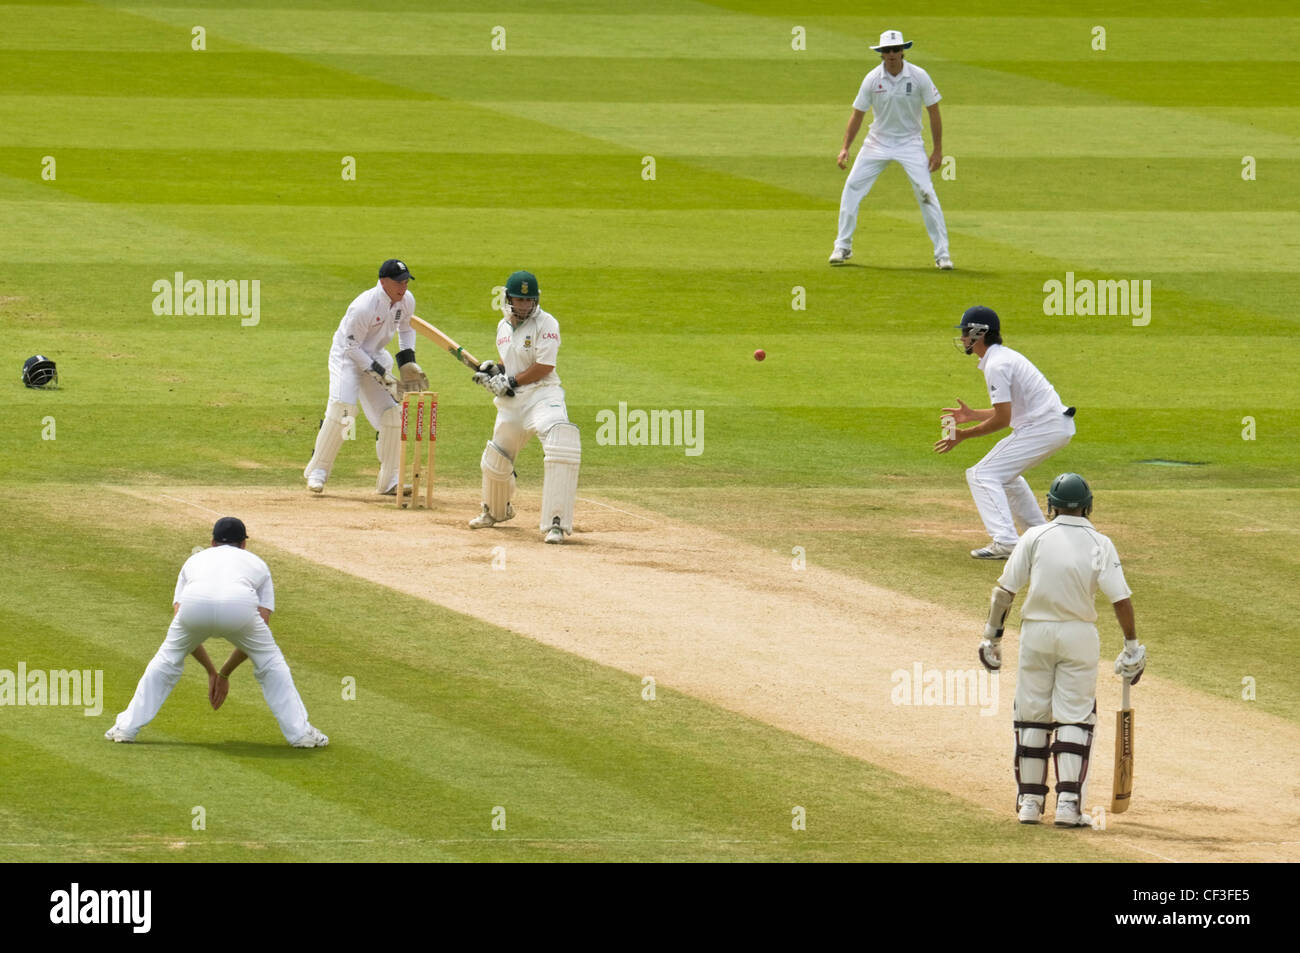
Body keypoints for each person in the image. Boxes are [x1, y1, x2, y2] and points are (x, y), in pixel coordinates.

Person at [976, 473, 1146, 827]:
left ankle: (1030, 803)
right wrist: (1132, 647)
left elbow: (1003, 592)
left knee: (1031, 716)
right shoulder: (1101, 542)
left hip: (1036, 634)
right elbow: (1121, 599)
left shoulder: (1034, 537)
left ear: (1050, 506)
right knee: (1075, 717)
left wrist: (992, 638)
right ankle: (1069, 805)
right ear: (1088, 506)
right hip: (1079, 636)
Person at [105, 517, 328, 747]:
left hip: (194, 606)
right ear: (243, 544)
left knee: (166, 659)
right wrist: (223, 674)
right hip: (239, 607)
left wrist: (211, 671)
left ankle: (125, 728)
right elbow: (262, 622)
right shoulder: (257, 563)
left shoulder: (193, 560)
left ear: (212, 542)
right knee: (270, 661)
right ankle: (300, 734)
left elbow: (180, 619)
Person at [933, 306, 1076, 559]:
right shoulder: (1002, 358)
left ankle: (1006, 542)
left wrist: (962, 435)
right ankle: (1041, 537)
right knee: (1006, 477)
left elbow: (1003, 419)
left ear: (979, 333)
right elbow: (1011, 408)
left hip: (1044, 427)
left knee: (981, 474)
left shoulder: (997, 365)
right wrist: (975, 415)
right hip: (1051, 425)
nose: (963, 338)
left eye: (966, 332)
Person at [467, 270, 580, 544]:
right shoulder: (503, 326)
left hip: (543, 395)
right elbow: (510, 361)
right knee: (497, 456)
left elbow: (544, 366)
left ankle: (556, 523)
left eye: (529, 301)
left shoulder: (547, 323)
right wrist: (495, 370)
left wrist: (511, 380)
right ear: (509, 299)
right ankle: (495, 511)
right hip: (513, 402)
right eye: (519, 300)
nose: (524, 305)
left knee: (561, 440)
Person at [303, 259, 429, 495]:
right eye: (398, 282)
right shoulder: (364, 306)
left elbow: (406, 329)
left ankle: (390, 480)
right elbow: (351, 348)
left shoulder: (406, 300)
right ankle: (317, 471)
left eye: (405, 281)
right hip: (347, 359)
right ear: (383, 282)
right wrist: (382, 375)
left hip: (375, 355)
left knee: (393, 415)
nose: (403, 287)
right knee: (343, 409)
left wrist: (408, 362)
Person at [830, 29, 952, 270]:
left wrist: (937, 150)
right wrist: (845, 147)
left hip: (910, 142)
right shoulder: (872, 79)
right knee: (852, 187)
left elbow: (934, 111)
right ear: (881, 54)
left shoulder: (919, 76)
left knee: (926, 192)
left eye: (896, 49)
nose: (893, 54)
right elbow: (858, 114)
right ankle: (842, 246)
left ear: (903, 51)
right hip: (877, 142)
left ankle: (943, 254)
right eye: (887, 50)